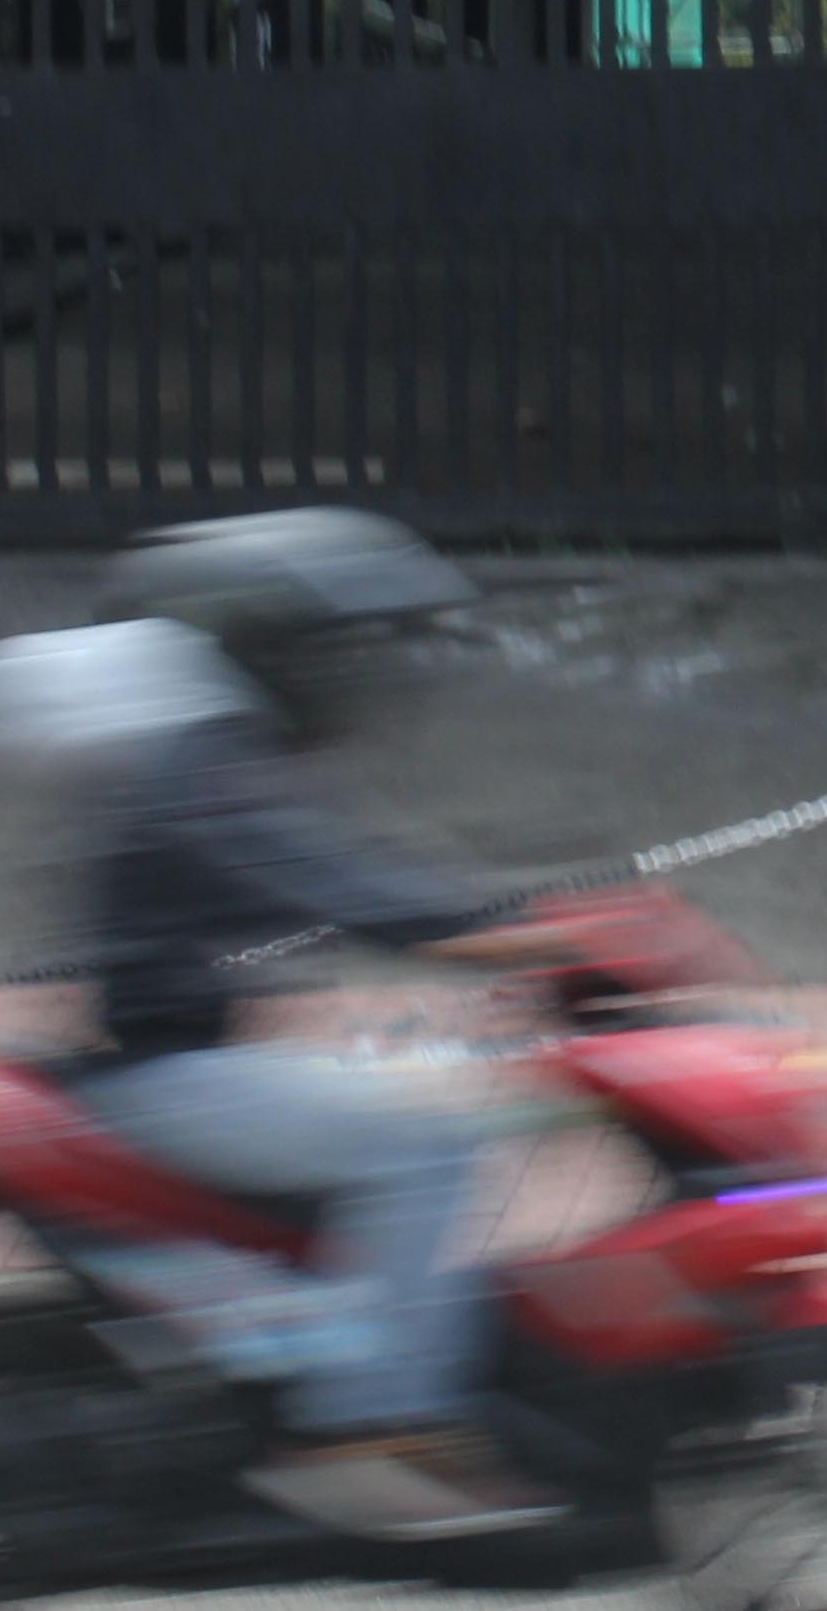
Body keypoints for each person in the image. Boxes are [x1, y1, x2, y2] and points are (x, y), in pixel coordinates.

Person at [32, 510, 562, 1539]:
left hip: (187, 1060)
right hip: (167, 1076)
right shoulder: (210, 768)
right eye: (330, 652)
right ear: (267, 650)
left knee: (426, 1100)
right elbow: (345, 884)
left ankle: (344, 1362)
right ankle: (366, 1431)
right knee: (428, 1142)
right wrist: (500, 938)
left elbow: (356, 873)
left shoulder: (215, 757)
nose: (353, 677)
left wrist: (488, 926)